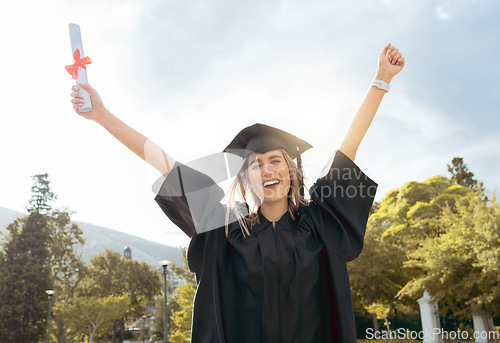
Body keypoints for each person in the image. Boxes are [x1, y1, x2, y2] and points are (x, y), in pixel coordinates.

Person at [70, 43, 405, 342]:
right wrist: (101, 115)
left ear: (291, 171)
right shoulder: (224, 228)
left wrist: (381, 80)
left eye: (275, 160)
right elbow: (166, 164)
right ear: (246, 179)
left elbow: (348, 149)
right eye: (255, 165)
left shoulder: (320, 224)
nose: (267, 169)